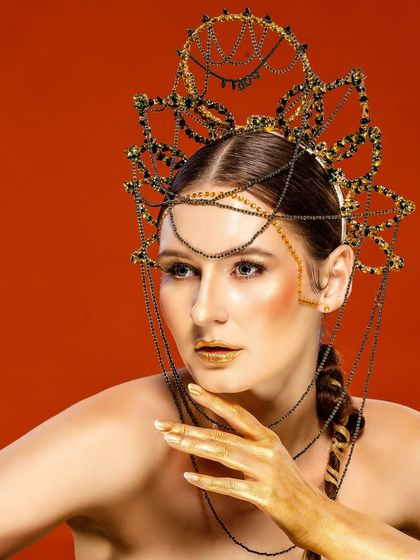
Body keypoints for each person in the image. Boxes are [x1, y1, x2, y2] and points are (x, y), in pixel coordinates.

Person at [1, 10, 419, 560]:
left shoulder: (401, 454)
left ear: (332, 279)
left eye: (246, 268)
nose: (203, 310)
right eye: (181, 270)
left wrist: (323, 522)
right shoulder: (120, 441)